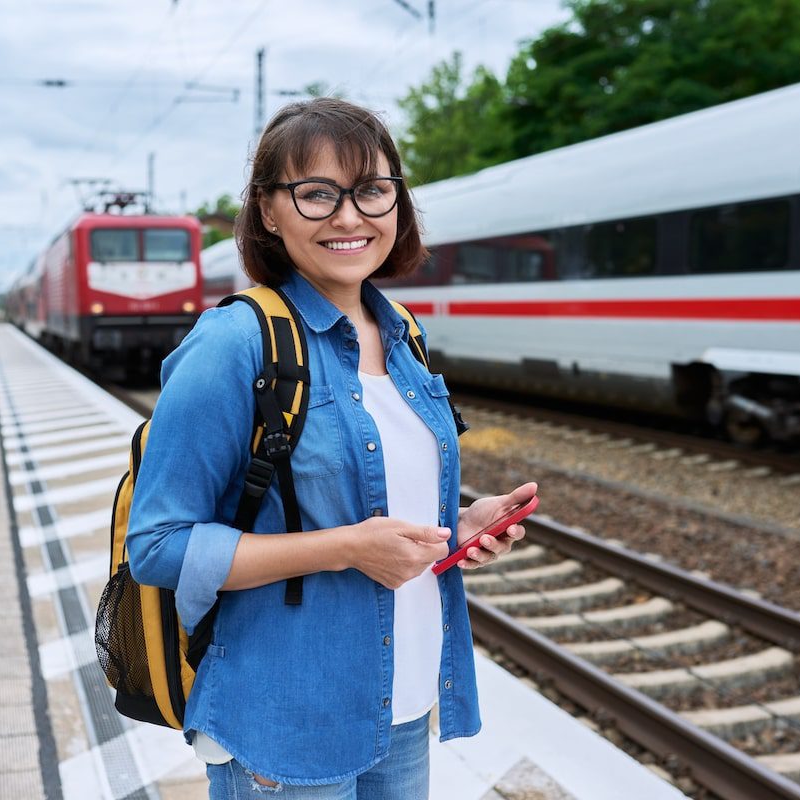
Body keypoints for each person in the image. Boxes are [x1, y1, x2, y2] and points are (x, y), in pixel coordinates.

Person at [127, 97, 535, 798]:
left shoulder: (404, 333)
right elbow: (158, 545)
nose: (350, 217)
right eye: (316, 194)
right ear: (268, 210)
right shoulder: (235, 343)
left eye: (372, 191)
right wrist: (345, 548)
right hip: (282, 721)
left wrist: (455, 532)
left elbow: (377, 503)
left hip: (401, 704)